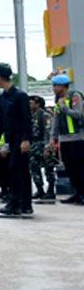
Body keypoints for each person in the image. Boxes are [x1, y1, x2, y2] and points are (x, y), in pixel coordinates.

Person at [0, 63, 33, 217]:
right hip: (10, 139)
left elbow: (26, 119)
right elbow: (1, 120)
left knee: (19, 170)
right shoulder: (3, 97)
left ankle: (17, 203)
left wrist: (26, 139)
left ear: (0, 77)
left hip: (20, 139)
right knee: (18, 170)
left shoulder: (20, 96)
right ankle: (23, 204)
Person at [50, 73, 84, 204]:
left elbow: (77, 114)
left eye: (55, 86)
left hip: (78, 138)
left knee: (80, 167)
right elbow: (56, 121)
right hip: (64, 139)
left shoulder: (75, 97)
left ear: (62, 86)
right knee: (69, 168)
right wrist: (53, 138)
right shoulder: (58, 100)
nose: (53, 88)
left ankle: (82, 193)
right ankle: (76, 192)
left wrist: (64, 107)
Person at [28, 96, 56, 203]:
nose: (29, 105)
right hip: (33, 145)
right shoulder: (30, 116)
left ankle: (50, 190)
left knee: (49, 168)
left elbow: (48, 132)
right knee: (34, 168)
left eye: (31, 103)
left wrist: (47, 147)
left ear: (38, 104)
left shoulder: (45, 116)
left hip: (43, 144)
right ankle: (39, 189)